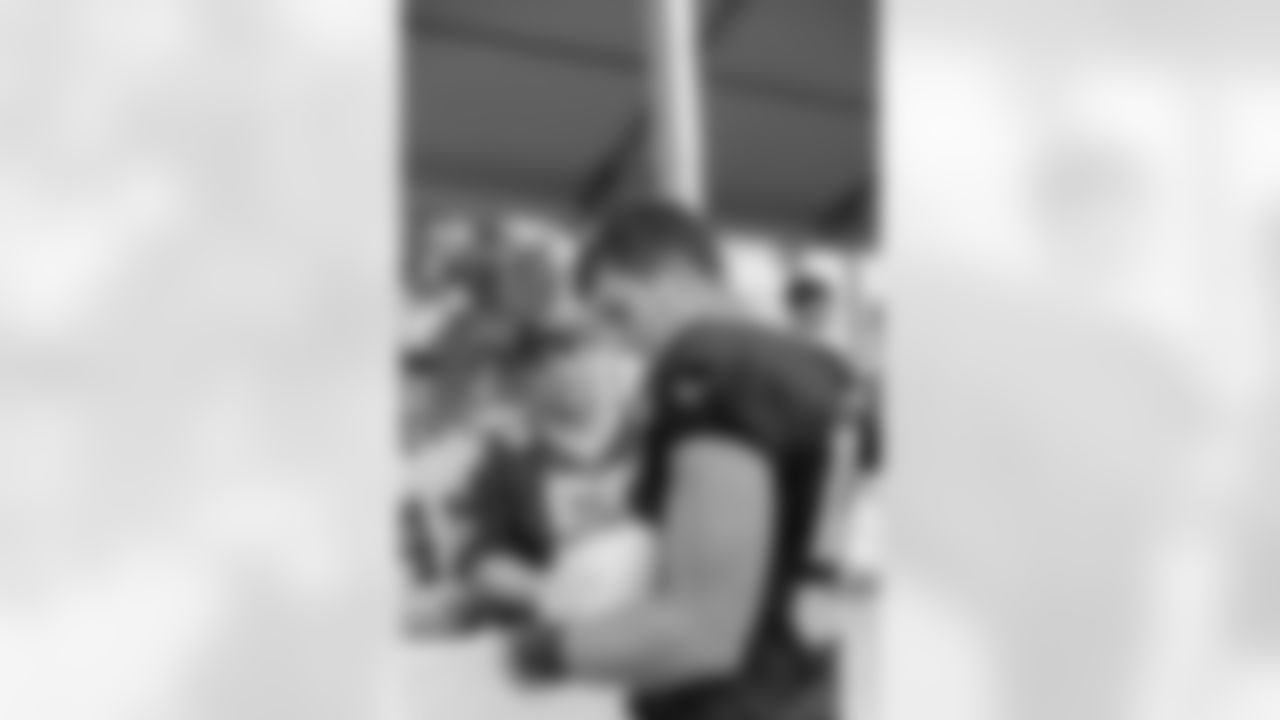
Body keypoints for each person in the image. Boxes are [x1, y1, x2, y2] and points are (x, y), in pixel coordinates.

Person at [506, 201, 854, 720]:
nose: (619, 341)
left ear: (676, 274)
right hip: (811, 683)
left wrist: (539, 654)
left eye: (619, 312)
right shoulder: (829, 369)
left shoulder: (708, 360)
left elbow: (701, 628)